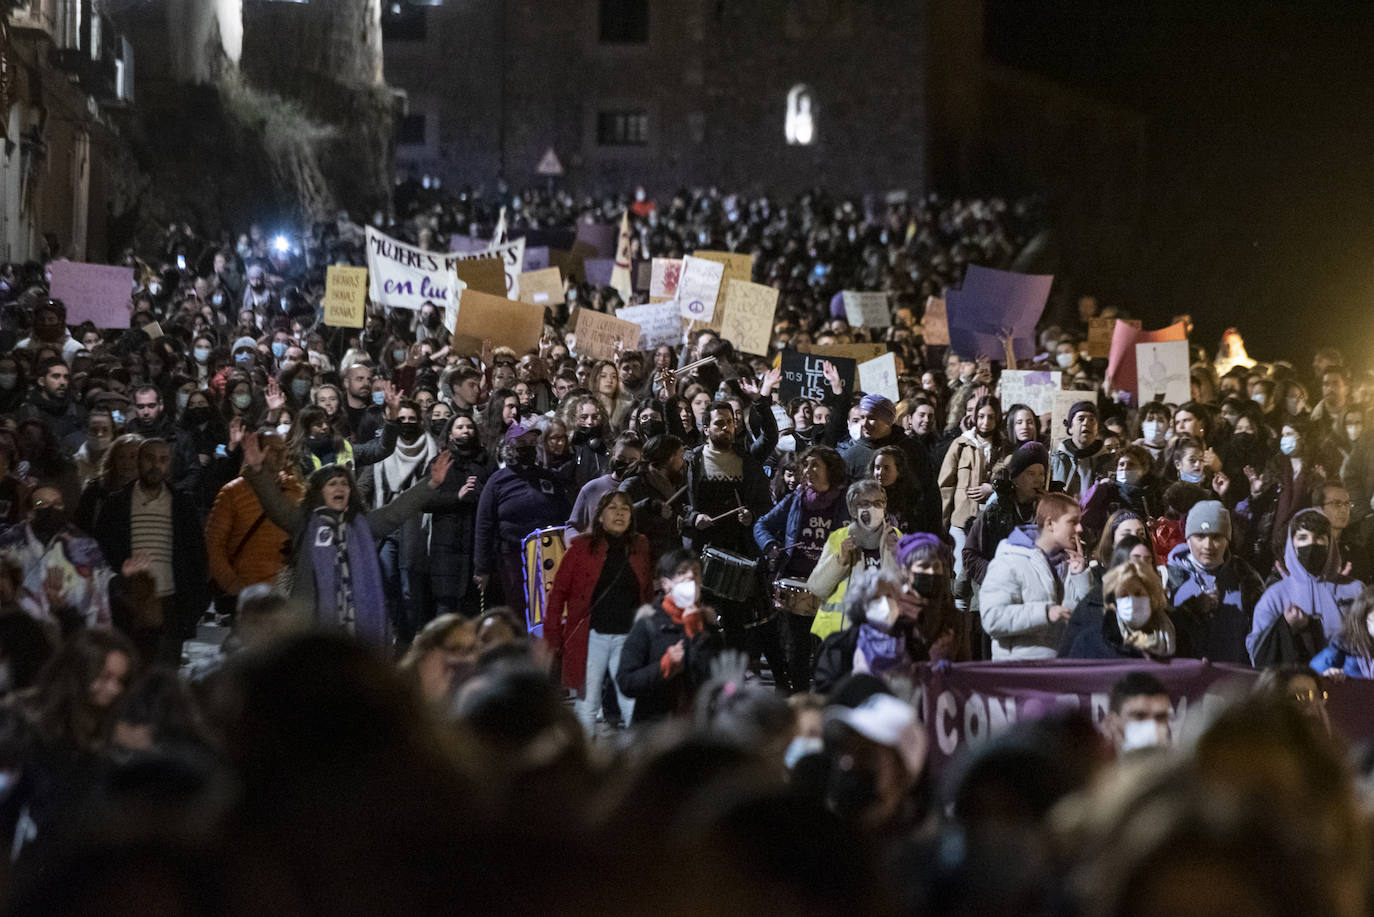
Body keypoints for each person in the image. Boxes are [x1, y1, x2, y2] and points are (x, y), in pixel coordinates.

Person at [239, 432, 452, 649]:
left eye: (344, 484)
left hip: (356, 629)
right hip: (313, 630)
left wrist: (431, 484)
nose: (340, 488)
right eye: (332, 484)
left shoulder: (362, 525)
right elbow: (276, 505)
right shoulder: (304, 523)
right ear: (319, 492)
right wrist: (258, 471)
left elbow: (395, 511)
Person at [89, 439, 210, 665]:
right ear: (139, 461)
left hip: (170, 606)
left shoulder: (182, 504)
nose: (156, 465)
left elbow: (197, 556)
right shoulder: (117, 503)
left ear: (170, 464)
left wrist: (194, 606)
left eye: (163, 460)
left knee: (164, 676)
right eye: (149, 458)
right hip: (127, 605)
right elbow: (101, 552)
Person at [545, 491, 653, 736]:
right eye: (613, 508)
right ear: (600, 516)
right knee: (587, 706)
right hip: (591, 635)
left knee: (632, 703)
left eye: (625, 509)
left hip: (628, 636)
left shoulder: (640, 546)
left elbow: (646, 593)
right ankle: (585, 764)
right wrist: (552, 635)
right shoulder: (580, 548)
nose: (619, 513)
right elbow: (558, 593)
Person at [754, 444, 850, 693]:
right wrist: (771, 545)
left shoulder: (845, 501)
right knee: (797, 650)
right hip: (797, 584)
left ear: (831, 470)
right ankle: (799, 699)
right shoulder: (796, 499)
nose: (807, 470)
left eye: (815, 464)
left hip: (831, 586)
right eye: (805, 465)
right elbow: (761, 525)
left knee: (826, 649)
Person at [474, 425, 571, 622]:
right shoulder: (497, 481)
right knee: (519, 609)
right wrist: (481, 568)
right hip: (513, 557)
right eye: (521, 444)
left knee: (550, 609)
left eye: (531, 443)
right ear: (509, 447)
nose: (527, 448)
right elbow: (484, 526)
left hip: (548, 554)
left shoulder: (547, 477)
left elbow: (565, 515)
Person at [615, 548, 722, 725]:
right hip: (655, 735)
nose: (690, 578)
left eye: (695, 574)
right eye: (681, 573)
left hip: (698, 733)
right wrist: (663, 667)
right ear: (666, 584)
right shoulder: (648, 624)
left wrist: (697, 634)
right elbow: (626, 682)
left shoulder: (708, 625)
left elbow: (719, 681)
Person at [204, 430, 303, 619]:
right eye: (272, 449)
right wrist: (232, 584)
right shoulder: (233, 493)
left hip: (285, 591)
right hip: (248, 591)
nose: (281, 455)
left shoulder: (295, 491)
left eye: (283, 449)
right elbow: (213, 544)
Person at [980, 491, 1091, 659]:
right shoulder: (1010, 561)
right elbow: (993, 619)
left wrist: (1080, 577)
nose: (1080, 529)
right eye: (1072, 522)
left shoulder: (1071, 564)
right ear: (1050, 524)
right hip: (1021, 673)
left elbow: (1085, 619)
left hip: (1061, 670)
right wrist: (1045, 613)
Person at [1247, 509, 1360, 667]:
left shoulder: (1355, 589)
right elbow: (1257, 651)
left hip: (1348, 683)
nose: (1311, 544)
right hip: (1297, 686)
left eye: (1319, 538)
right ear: (1292, 543)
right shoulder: (1275, 595)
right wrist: (1285, 626)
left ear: (1330, 543)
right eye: (1302, 537)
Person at [369, 399, 441, 646]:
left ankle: (407, 642)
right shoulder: (382, 449)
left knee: (410, 590)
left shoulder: (431, 450)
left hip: (414, 527)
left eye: (412, 419)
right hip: (386, 526)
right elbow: (365, 484)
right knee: (388, 585)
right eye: (403, 419)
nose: (408, 424)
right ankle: (392, 633)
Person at [0, 484, 115, 631]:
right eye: (42, 504)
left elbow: (103, 583)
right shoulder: (8, 543)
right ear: (30, 512)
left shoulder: (84, 544)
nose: (51, 509)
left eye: (57, 504)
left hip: (73, 632)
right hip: (20, 632)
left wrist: (125, 579)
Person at [1164, 500, 1264, 664]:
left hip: (1234, 679)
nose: (1208, 545)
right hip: (1184, 680)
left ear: (1227, 540)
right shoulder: (1169, 578)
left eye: (1216, 537)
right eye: (1200, 536)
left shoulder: (1247, 578)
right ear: (1188, 539)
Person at [807, 479, 902, 640]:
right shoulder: (839, 538)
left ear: (885, 506)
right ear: (852, 510)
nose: (872, 509)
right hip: (841, 637)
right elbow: (817, 587)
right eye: (864, 503)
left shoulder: (898, 539)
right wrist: (840, 560)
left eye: (878, 502)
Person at [938, 395, 1008, 581]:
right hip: (961, 521)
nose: (985, 422)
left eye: (991, 417)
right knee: (962, 574)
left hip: (990, 524)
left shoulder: (1004, 448)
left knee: (985, 576)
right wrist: (943, 523)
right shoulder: (961, 444)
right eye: (982, 416)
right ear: (974, 417)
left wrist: (993, 489)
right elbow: (945, 486)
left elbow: (1012, 482)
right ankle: (960, 610)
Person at [428, 415, 492, 619]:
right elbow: (425, 501)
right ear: (450, 434)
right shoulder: (440, 462)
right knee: (446, 610)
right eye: (460, 427)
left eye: (469, 427)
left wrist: (482, 492)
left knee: (474, 613)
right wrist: (457, 496)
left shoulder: (486, 461)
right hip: (447, 549)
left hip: (476, 546)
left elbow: (495, 499)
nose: (465, 431)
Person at [1059, 553, 1176, 660]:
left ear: (1152, 596)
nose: (1131, 600)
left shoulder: (1179, 634)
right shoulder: (1090, 642)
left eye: (1138, 593)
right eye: (1123, 594)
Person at [565, 432, 643, 540]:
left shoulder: (643, 489)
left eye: (632, 460)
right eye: (621, 458)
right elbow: (572, 527)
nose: (626, 463)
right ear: (613, 454)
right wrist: (579, 547)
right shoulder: (592, 488)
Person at [619, 433, 686, 560]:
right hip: (639, 559)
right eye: (681, 456)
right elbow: (619, 513)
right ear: (670, 458)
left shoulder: (671, 486)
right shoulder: (634, 483)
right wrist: (650, 507)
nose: (683, 462)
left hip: (664, 560)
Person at [1049, 400, 1115, 498]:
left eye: (1092, 420)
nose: (1086, 423)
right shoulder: (1055, 460)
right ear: (1070, 428)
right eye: (1081, 419)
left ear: (1097, 429)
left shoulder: (1108, 461)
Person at [1101, 671, 1173, 755]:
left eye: (1160, 717)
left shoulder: (1182, 766)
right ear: (1112, 722)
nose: (1152, 725)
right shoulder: (1091, 766)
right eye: (1140, 716)